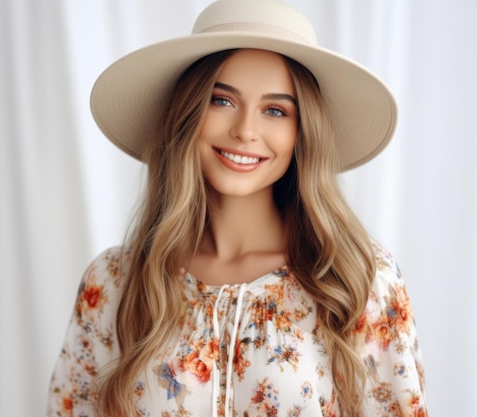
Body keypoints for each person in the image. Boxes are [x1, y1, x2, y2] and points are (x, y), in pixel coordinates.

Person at [47, 0, 428, 416]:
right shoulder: (114, 284)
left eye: (275, 110)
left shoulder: (358, 281)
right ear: (187, 113)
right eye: (222, 100)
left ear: (303, 133)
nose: (245, 130)